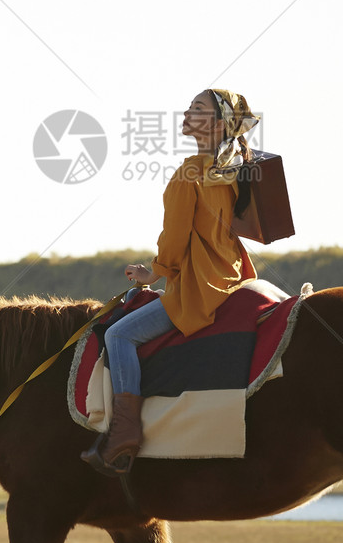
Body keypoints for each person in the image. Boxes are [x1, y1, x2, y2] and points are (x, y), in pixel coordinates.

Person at [81, 88, 259, 476]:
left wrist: (153, 273)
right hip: (229, 275)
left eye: (198, 108)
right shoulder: (231, 169)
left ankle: (124, 431)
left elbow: (175, 239)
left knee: (118, 337)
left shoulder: (189, 171)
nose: (187, 111)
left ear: (217, 123)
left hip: (200, 287)